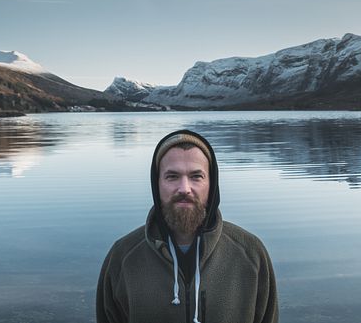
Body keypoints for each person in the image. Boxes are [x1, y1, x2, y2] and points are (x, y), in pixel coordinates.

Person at [96, 129, 278, 323]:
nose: (184, 188)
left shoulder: (249, 254)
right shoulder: (123, 257)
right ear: (156, 184)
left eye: (196, 176)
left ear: (212, 183)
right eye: (172, 176)